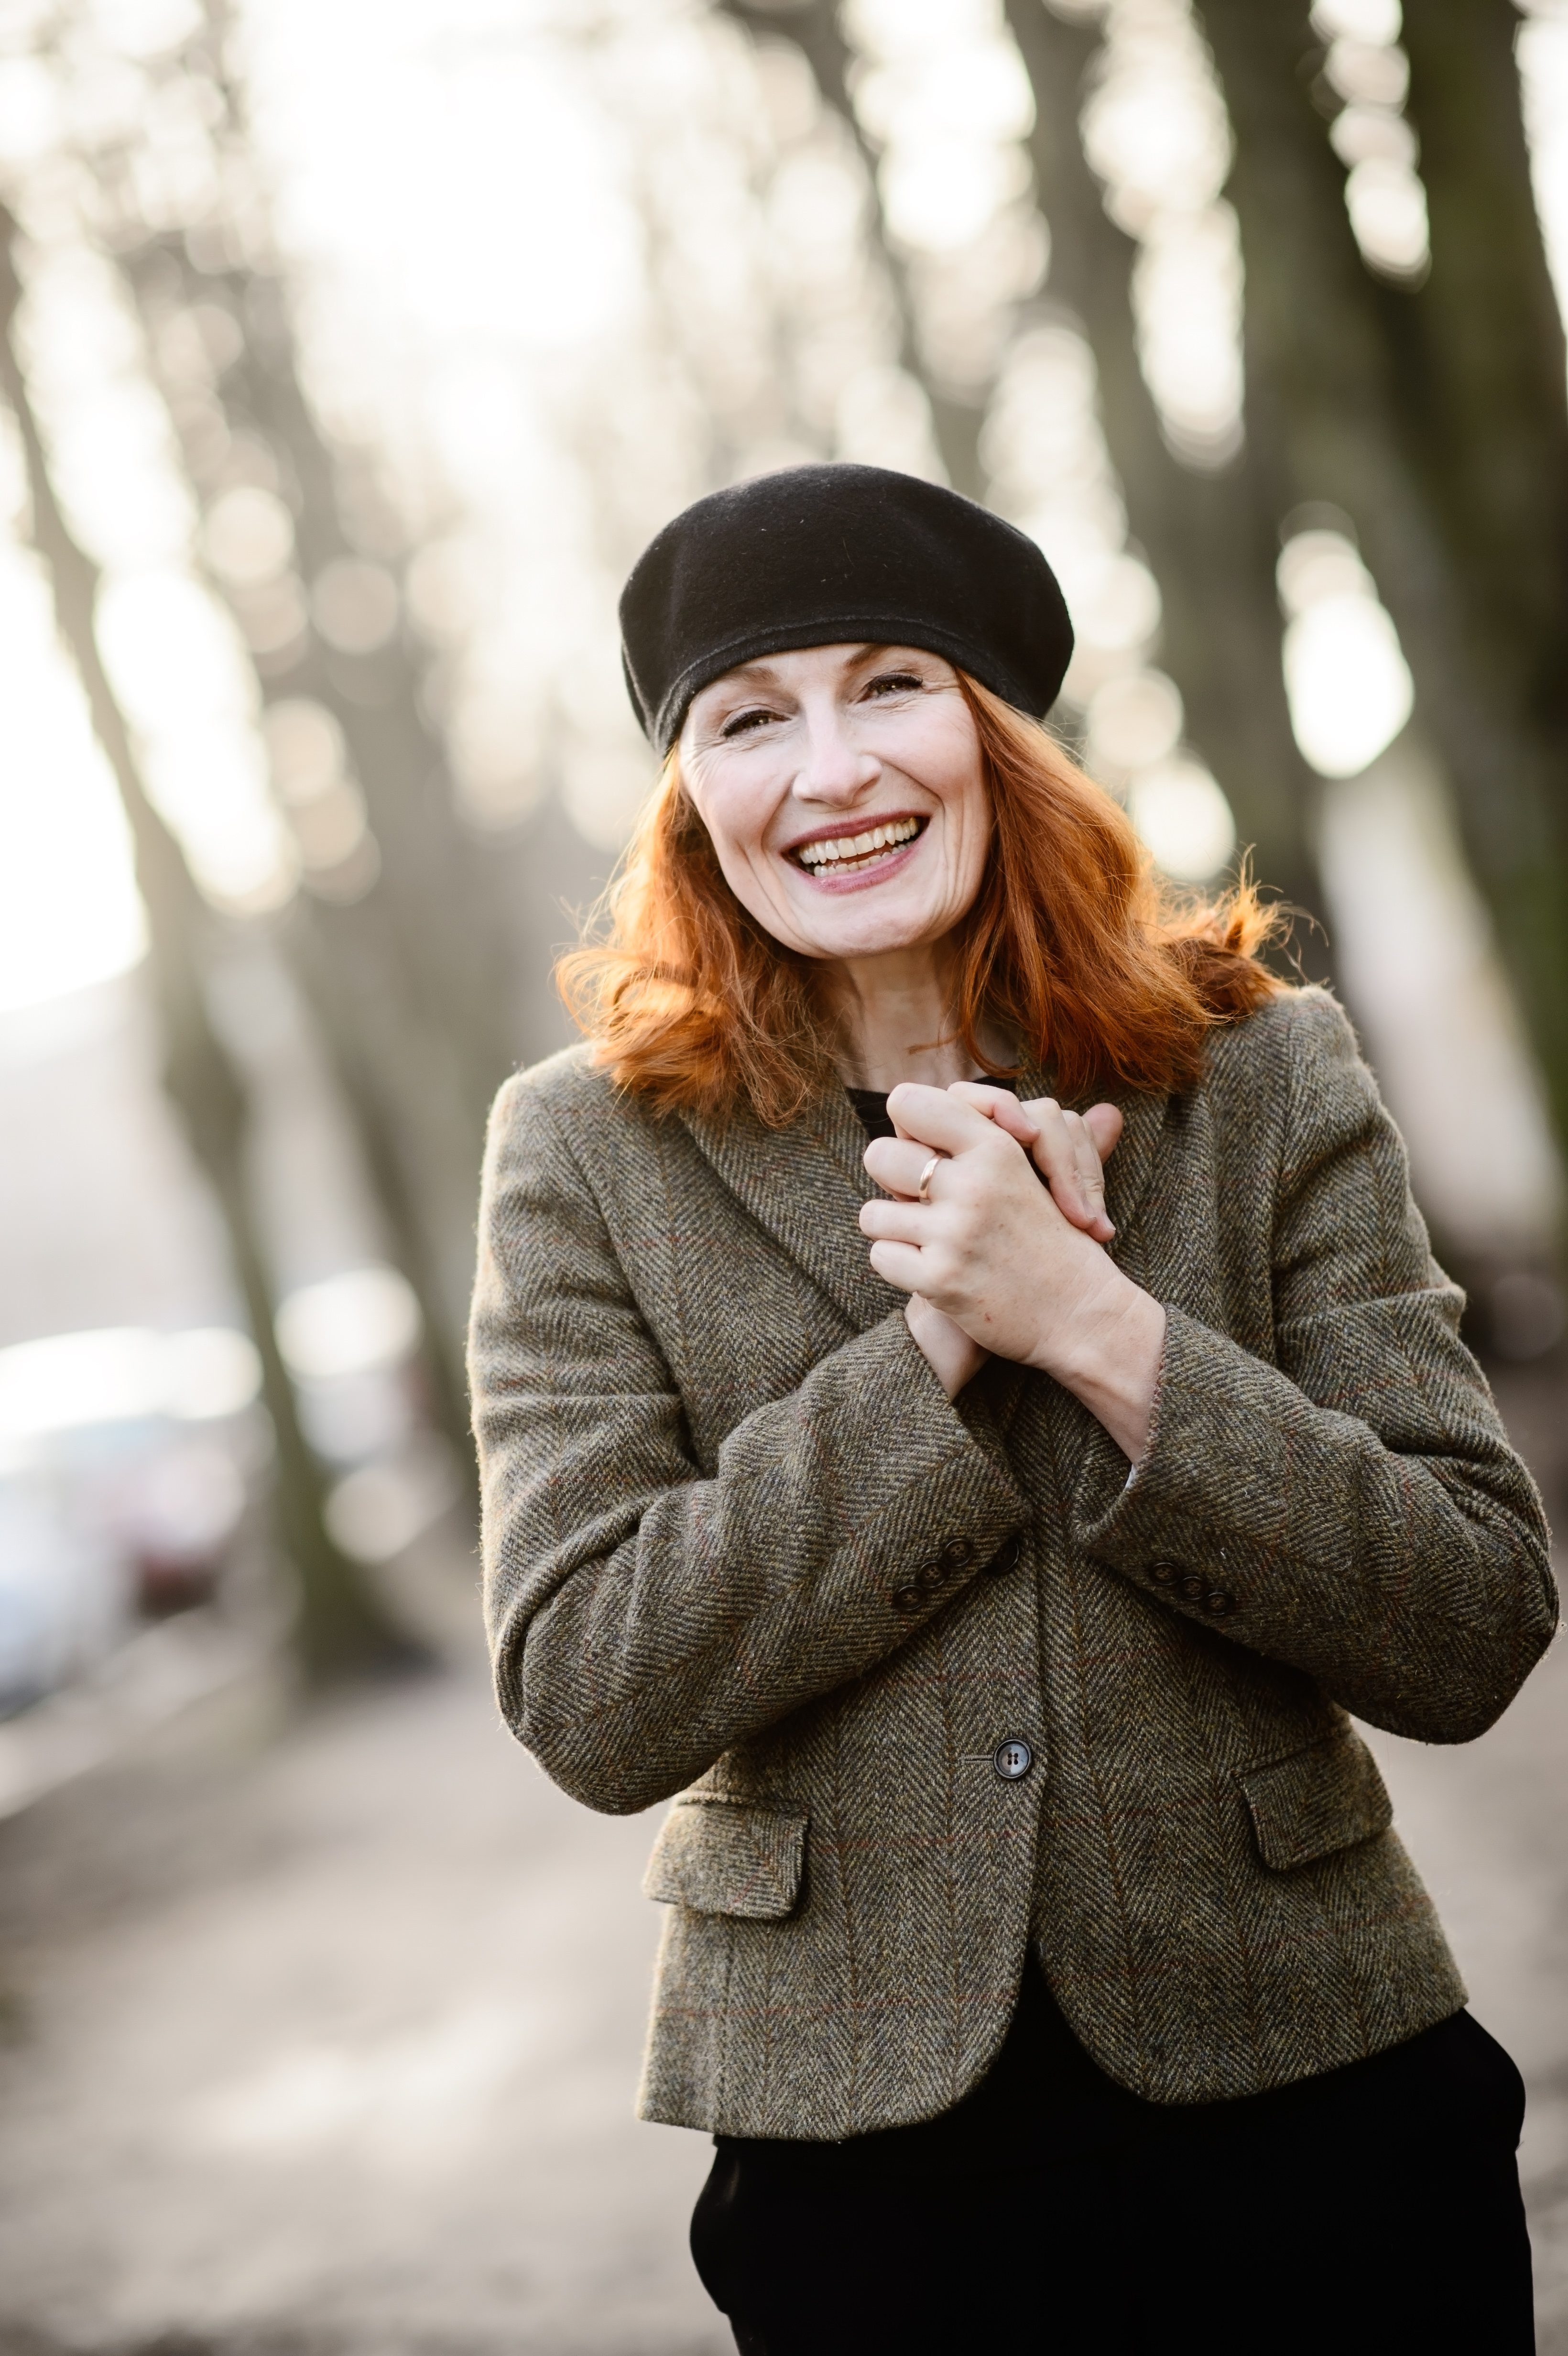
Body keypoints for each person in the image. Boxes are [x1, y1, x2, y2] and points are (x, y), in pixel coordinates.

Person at [468, 464, 1554, 2354]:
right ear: (691, 800)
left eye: (890, 684)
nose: (828, 770)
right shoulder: (579, 1151)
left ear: (997, 737)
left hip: (1315, 2083)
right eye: (748, 718)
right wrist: (933, 1356)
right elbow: (587, 1684)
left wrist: (1095, 1322)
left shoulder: (1261, 1071)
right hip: (857, 2153)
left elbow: (1468, 1618)